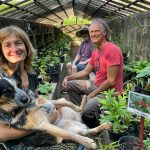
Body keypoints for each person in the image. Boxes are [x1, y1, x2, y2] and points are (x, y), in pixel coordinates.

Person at [0, 26, 76, 150]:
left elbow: (35, 99)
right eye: (7, 45)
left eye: (18, 43)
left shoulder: (30, 73)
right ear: (1, 50)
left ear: (26, 46)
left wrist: (51, 105)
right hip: (15, 142)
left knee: (74, 129)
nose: (14, 49)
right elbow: (1, 134)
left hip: (36, 126)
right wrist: (43, 123)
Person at [62, 18, 123, 128]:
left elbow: (111, 81)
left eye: (97, 31)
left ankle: (93, 124)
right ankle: (79, 112)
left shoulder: (112, 50)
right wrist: (68, 77)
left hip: (109, 92)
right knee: (69, 86)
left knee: (88, 108)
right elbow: (86, 71)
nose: (93, 34)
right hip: (96, 85)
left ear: (104, 32)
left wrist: (91, 95)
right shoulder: (96, 51)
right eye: (91, 32)